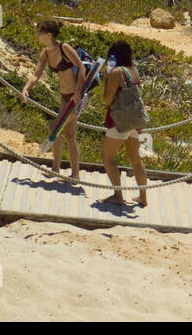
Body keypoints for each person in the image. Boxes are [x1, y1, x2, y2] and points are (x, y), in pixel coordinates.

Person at [21, 19, 86, 180]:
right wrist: (26, 88)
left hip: (76, 97)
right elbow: (36, 75)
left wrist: (77, 93)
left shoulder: (64, 48)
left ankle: (56, 169)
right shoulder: (46, 53)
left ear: (48, 35)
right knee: (69, 135)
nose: (37, 36)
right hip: (65, 97)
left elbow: (82, 68)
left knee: (54, 128)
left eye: (40, 33)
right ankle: (74, 174)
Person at [100, 41, 148, 207]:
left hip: (120, 121)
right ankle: (143, 196)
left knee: (107, 156)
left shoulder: (116, 73)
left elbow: (107, 100)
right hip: (135, 120)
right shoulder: (133, 71)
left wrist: (106, 78)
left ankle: (117, 195)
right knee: (135, 159)